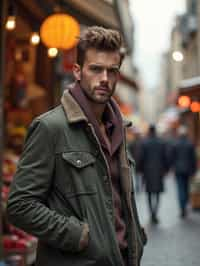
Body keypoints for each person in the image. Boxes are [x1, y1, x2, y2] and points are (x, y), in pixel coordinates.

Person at [7, 26, 146, 266]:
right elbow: (20, 206)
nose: (104, 78)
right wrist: (77, 236)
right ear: (78, 71)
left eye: (112, 71)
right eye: (96, 69)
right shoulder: (51, 128)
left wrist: (136, 240)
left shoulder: (119, 130)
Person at [139, 124, 168, 224]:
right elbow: (165, 157)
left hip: (148, 171)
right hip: (159, 171)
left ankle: (152, 213)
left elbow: (141, 158)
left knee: (149, 193)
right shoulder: (161, 142)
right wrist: (166, 169)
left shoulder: (144, 143)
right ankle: (155, 212)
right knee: (158, 193)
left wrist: (140, 170)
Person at [172, 125, 197, 218]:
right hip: (188, 170)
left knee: (180, 189)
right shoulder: (190, 144)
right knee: (186, 188)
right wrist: (194, 171)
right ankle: (184, 205)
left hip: (178, 170)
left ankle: (182, 207)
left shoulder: (175, 144)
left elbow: (172, 158)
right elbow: (193, 159)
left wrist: (173, 168)